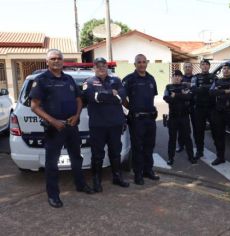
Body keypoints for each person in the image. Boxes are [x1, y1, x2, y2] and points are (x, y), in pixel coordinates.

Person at [30, 49, 93, 208]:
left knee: (76, 158)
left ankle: (80, 184)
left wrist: (77, 115)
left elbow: (79, 100)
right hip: (54, 129)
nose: (56, 61)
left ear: (63, 61)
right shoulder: (41, 80)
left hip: (72, 126)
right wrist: (54, 121)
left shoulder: (69, 79)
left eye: (59, 58)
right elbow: (34, 106)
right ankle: (53, 195)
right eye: (53, 58)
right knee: (51, 163)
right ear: (47, 62)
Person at [82, 57, 129, 192]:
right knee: (97, 154)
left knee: (115, 152)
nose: (101, 68)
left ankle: (117, 177)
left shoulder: (116, 80)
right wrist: (111, 94)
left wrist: (104, 96)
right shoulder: (88, 82)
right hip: (98, 125)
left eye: (104, 66)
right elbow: (92, 97)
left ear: (107, 67)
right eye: (98, 66)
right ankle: (97, 181)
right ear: (94, 68)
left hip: (115, 124)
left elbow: (122, 95)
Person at [123, 54, 160, 185]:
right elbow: (122, 98)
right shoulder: (129, 79)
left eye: (144, 62)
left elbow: (152, 97)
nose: (142, 64)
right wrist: (131, 108)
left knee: (149, 146)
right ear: (135, 64)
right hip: (137, 120)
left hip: (150, 118)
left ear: (147, 63)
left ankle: (148, 170)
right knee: (137, 148)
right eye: (139, 62)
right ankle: (138, 174)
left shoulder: (151, 79)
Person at [163, 69, 196, 165]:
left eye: (179, 76)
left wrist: (175, 95)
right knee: (172, 139)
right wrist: (181, 95)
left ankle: (191, 157)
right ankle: (170, 158)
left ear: (181, 78)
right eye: (175, 76)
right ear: (172, 77)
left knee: (187, 138)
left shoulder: (185, 86)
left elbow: (189, 97)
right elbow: (166, 98)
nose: (177, 77)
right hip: (173, 117)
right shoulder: (168, 87)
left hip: (184, 117)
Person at [209, 62, 230, 165]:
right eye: (224, 68)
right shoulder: (217, 81)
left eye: (228, 69)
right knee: (218, 136)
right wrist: (225, 91)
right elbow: (211, 92)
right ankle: (220, 157)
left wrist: (220, 90)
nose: (225, 70)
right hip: (219, 112)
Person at [191, 59, 218, 159]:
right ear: (200, 66)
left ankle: (219, 153)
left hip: (212, 108)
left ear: (209, 66)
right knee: (199, 131)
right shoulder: (196, 77)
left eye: (207, 64)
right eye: (203, 64)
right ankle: (199, 151)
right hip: (199, 108)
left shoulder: (214, 77)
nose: (205, 66)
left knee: (216, 130)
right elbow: (193, 90)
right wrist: (208, 88)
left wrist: (202, 88)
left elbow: (216, 89)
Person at [176, 62, 196, 153]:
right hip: (183, 107)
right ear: (183, 68)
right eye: (186, 67)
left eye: (189, 67)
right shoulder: (180, 78)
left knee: (196, 128)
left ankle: (197, 147)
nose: (188, 68)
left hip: (194, 106)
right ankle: (181, 145)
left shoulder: (196, 78)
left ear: (192, 68)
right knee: (181, 128)